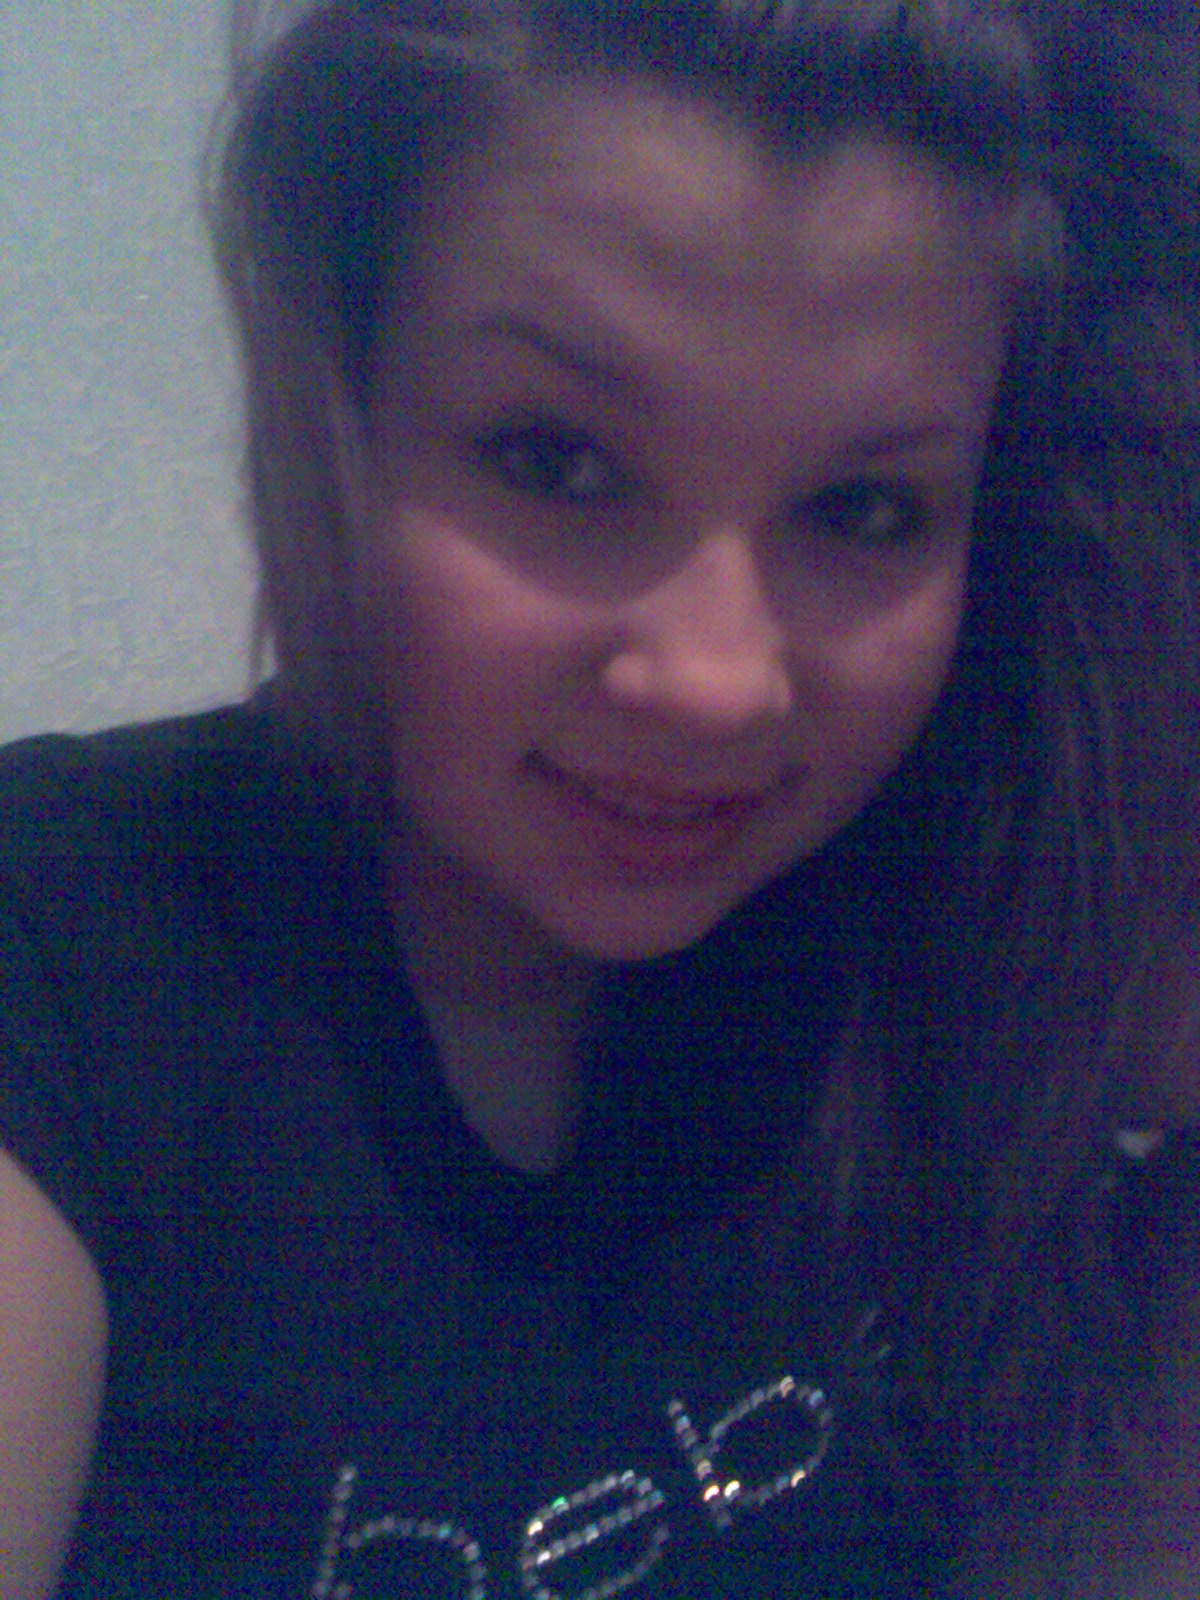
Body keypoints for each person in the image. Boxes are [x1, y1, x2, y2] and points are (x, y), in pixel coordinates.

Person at [1, 0, 1196, 1595]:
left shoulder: (969, 921)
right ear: (337, 416)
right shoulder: (69, 947)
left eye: (864, 508)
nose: (716, 682)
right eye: (557, 460)